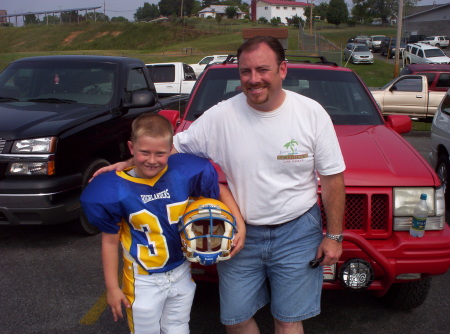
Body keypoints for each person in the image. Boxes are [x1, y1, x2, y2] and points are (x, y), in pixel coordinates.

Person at [93, 36, 346, 334]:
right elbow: (169, 150)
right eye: (245, 72)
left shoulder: (311, 114)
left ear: (283, 70)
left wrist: (335, 236)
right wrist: (129, 164)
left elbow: (332, 178)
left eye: (263, 70)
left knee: (288, 319)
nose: (253, 79)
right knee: (236, 320)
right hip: (239, 234)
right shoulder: (221, 116)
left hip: (297, 230)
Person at [81, 114, 245, 334]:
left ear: (171, 150)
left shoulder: (183, 173)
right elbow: (110, 242)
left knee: (178, 328)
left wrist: (239, 225)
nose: (152, 160)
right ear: (131, 147)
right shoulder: (114, 189)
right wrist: (112, 287)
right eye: (144, 152)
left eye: (160, 153)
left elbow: (220, 189)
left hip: (181, 271)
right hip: (144, 279)